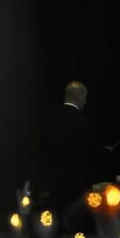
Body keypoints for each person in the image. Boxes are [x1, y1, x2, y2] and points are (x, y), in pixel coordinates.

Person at [37, 81, 102, 209]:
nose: (85, 102)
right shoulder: (84, 123)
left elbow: (41, 153)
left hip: (53, 187)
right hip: (77, 189)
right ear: (79, 97)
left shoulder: (48, 121)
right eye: (85, 98)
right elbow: (90, 157)